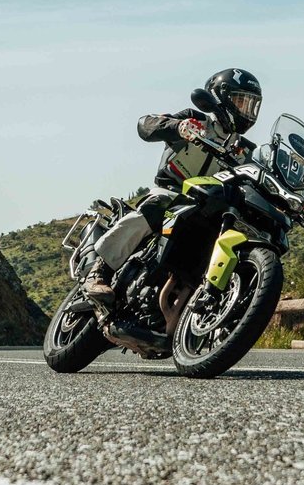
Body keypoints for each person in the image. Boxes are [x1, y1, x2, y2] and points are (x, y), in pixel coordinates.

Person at [80, 68, 263, 307]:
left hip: (208, 207)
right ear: (222, 97)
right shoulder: (196, 121)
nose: (245, 111)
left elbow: (257, 176)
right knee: (158, 205)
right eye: (240, 101)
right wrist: (178, 127)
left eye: (251, 105)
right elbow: (146, 125)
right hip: (174, 191)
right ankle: (100, 271)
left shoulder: (244, 150)